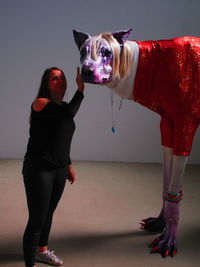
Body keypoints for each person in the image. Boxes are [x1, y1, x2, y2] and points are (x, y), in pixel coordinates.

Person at [22, 66, 84, 267]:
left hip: (58, 168)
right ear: (46, 85)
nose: (60, 81)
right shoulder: (40, 103)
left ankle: (42, 251)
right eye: (54, 79)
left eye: (62, 78)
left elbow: (61, 140)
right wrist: (80, 90)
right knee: (37, 219)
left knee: (48, 214)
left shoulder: (63, 107)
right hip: (39, 168)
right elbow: (68, 114)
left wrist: (68, 165)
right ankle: (29, 263)